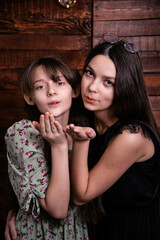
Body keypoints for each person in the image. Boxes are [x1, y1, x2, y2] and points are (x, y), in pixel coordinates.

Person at [65, 33, 160, 240]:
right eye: (90, 73)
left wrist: (81, 142)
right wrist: (18, 209)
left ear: (125, 87)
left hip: (134, 230)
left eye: (108, 82)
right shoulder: (84, 115)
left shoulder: (131, 136)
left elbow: (82, 195)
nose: (92, 87)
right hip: (103, 223)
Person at [4, 56, 89, 239]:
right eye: (40, 86)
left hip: (75, 232)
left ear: (74, 90)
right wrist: (59, 145)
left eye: (59, 83)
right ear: (29, 97)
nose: (51, 91)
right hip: (38, 232)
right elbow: (57, 210)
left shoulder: (83, 132)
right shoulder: (22, 132)